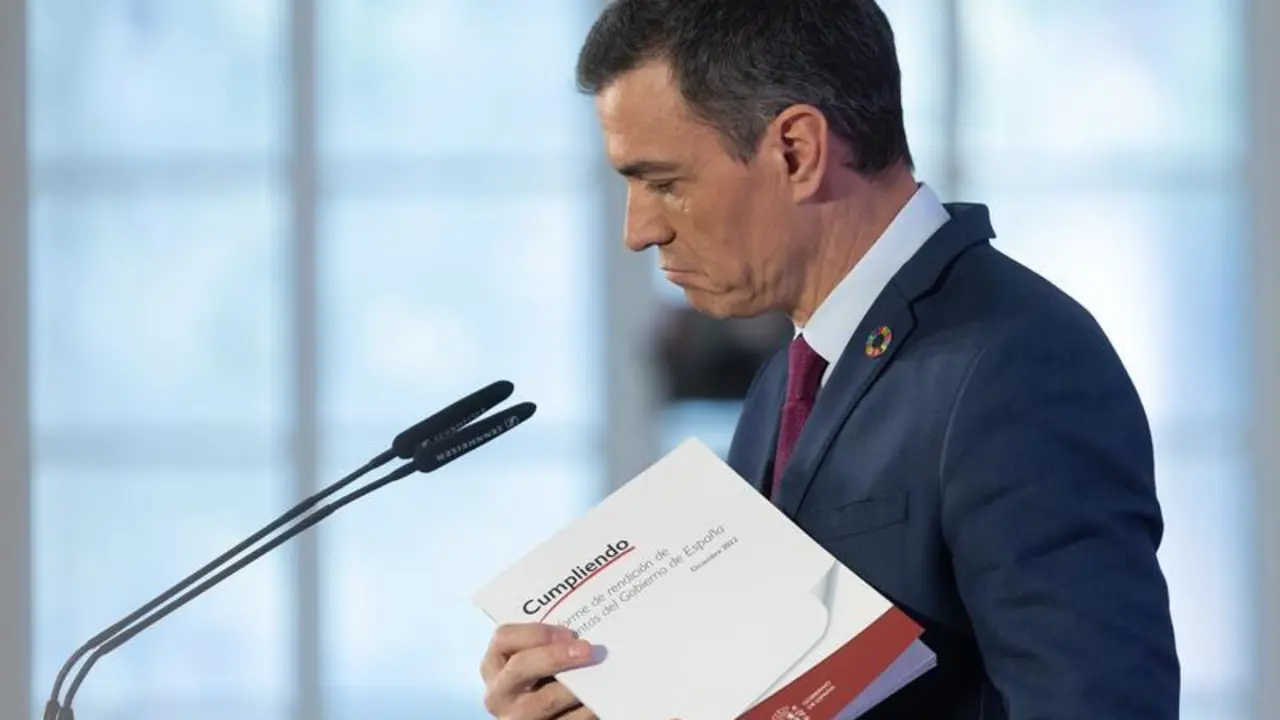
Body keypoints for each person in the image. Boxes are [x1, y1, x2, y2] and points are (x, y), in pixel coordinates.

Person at [478, 0, 1181, 717]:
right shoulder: (786, 381)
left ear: (797, 151)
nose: (638, 230)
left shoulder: (1017, 363)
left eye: (664, 183)